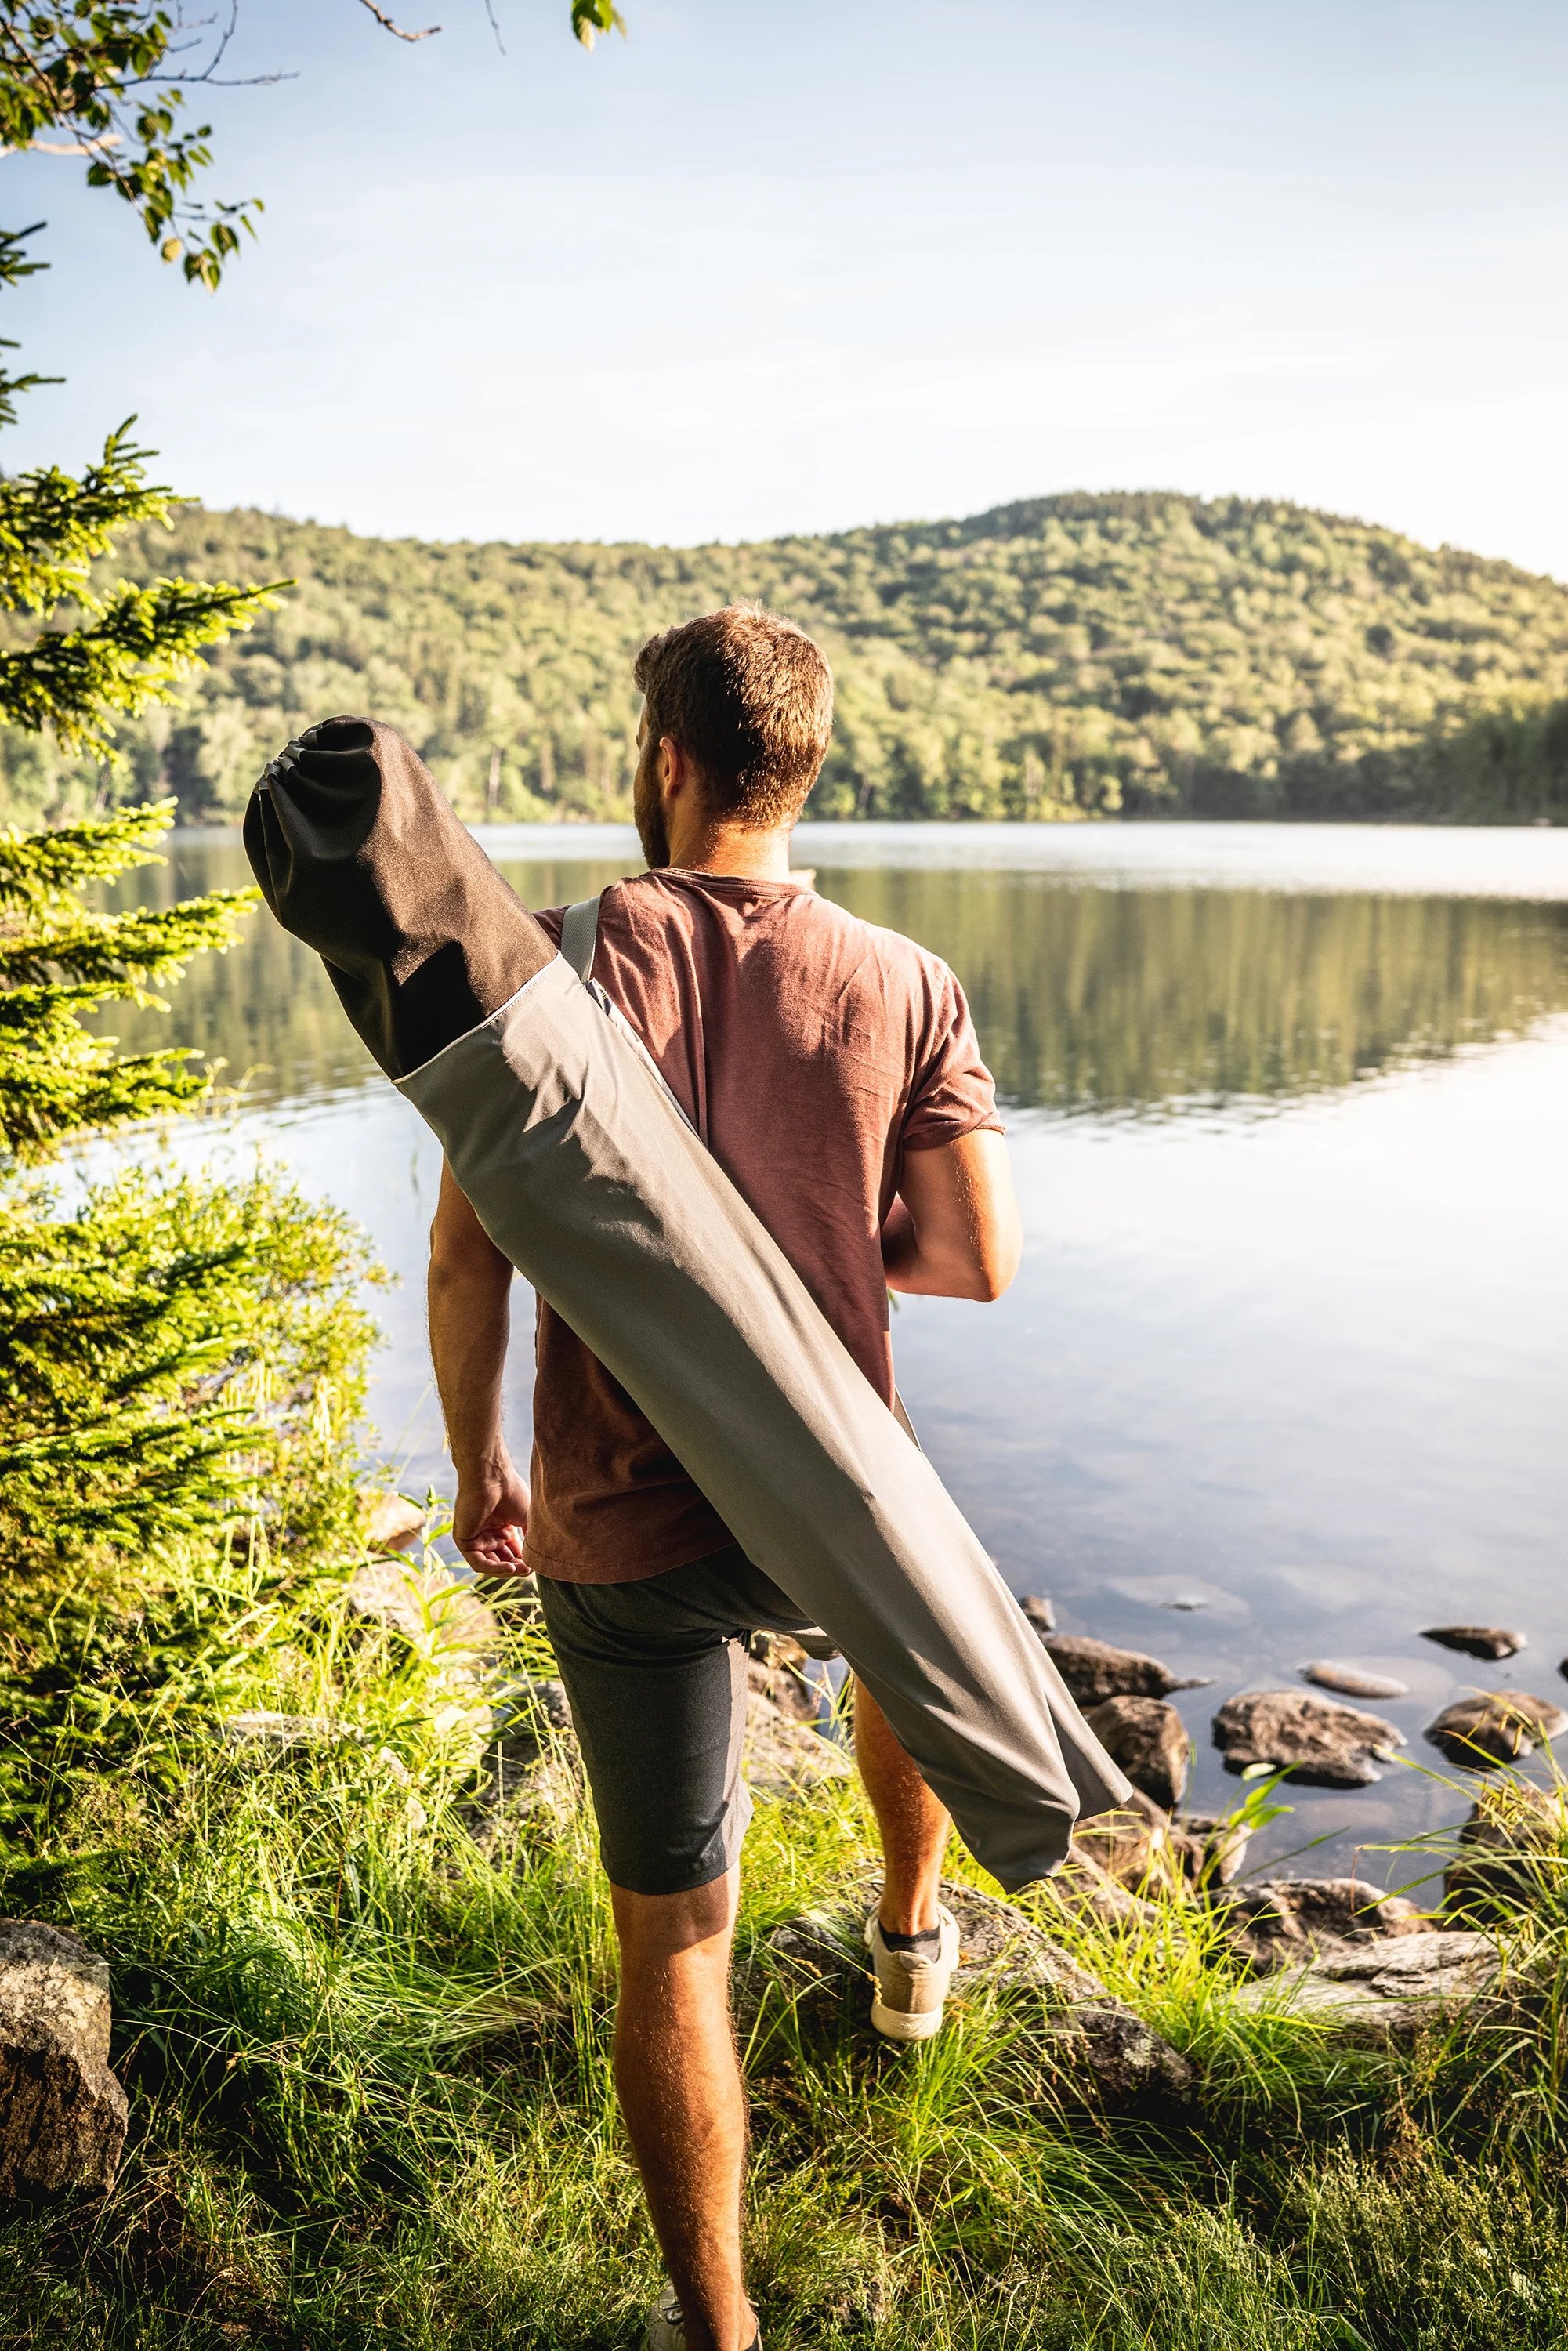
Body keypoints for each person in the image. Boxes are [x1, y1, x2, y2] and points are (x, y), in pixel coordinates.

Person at [426, 604, 1023, 2351]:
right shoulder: (904, 982)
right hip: (826, 1487)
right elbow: (973, 1259)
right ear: (804, 768)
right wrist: (817, 1237)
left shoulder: (549, 966)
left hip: (613, 1516)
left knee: (672, 1933)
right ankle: (908, 1942)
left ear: (666, 761)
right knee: (900, 1620)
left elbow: (473, 1261)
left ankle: (719, 2329)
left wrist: (479, 1469)